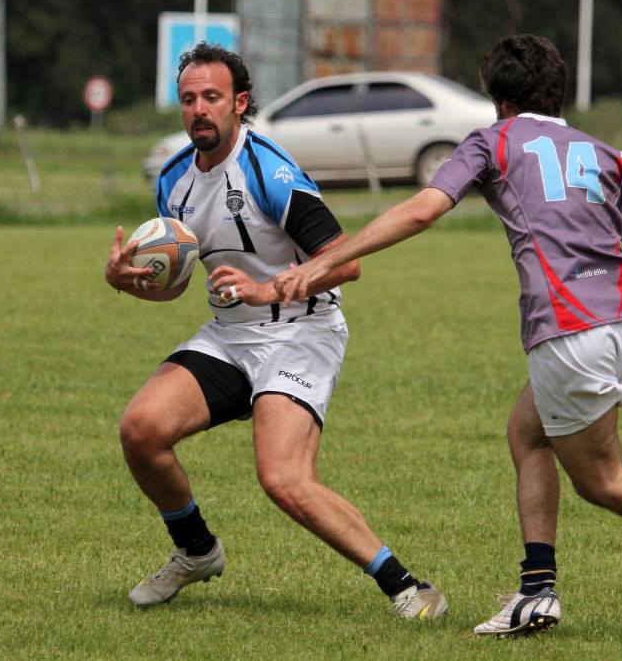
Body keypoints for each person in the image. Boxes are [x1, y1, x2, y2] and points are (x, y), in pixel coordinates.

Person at [274, 34, 622, 636]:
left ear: (497, 100)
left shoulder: (491, 142)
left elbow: (421, 210)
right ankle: (536, 592)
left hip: (568, 328)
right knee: (527, 431)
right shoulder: (607, 153)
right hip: (620, 323)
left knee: (603, 481)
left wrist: (321, 263)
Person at [103, 42, 447, 619]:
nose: (198, 110)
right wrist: (126, 279)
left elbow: (347, 262)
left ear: (239, 103)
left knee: (283, 477)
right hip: (231, 336)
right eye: (188, 99)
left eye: (212, 98)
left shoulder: (270, 170)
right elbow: (178, 283)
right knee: (140, 430)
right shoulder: (172, 180)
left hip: (301, 331)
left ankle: (410, 587)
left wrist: (269, 288)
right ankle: (196, 551)